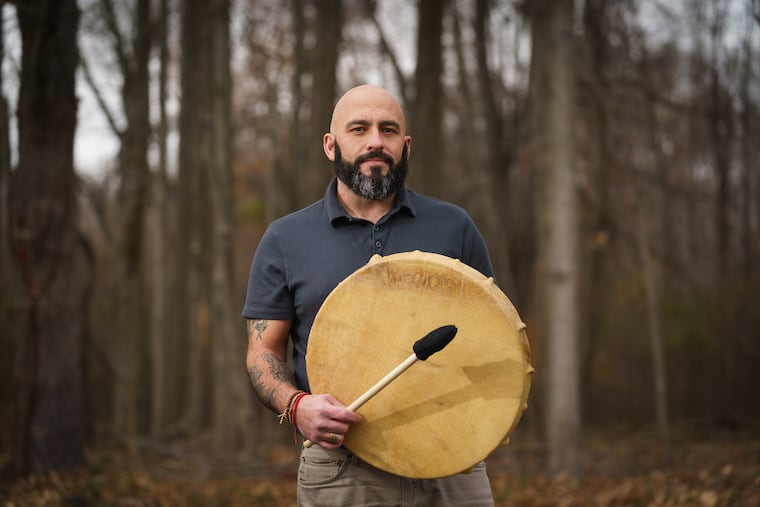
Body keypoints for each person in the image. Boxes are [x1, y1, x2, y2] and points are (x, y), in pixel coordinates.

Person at [243, 84, 496, 506]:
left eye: (389, 130)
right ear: (331, 144)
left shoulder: (454, 227)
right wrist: (298, 407)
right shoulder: (285, 239)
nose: (375, 141)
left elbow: (492, 335)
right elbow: (261, 352)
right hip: (342, 466)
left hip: (454, 458)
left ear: (406, 145)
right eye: (358, 129)